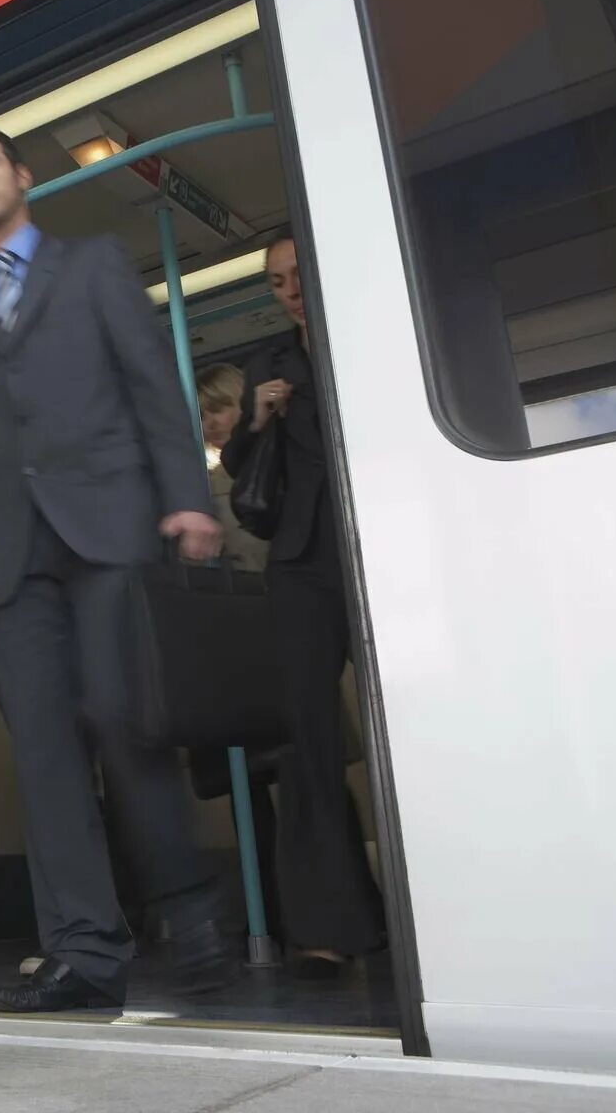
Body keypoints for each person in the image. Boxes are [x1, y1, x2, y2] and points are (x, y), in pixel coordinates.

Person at [0, 127, 238, 1012]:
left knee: (123, 719)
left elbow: (151, 385)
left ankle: (191, 910)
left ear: (21, 178)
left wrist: (188, 499)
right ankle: (85, 953)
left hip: (108, 531)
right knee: (47, 756)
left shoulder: (93, 265)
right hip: (10, 556)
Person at [219, 235, 385, 976]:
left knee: (411, 728)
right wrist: (255, 421)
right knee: (308, 747)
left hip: (387, 548)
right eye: (277, 281)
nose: (289, 290)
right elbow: (246, 490)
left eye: (298, 275)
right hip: (302, 563)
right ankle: (327, 928)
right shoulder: (268, 367)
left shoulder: (376, 331)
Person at [197, 363, 269, 573]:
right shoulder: (208, 487)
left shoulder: (285, 460)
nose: (209, 424)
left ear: (244, 403)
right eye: (202, 416)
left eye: (217, 409)